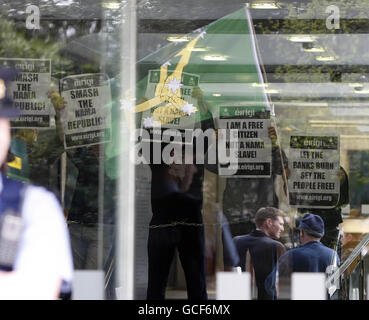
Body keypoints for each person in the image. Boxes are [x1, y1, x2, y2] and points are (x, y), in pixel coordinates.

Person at [0, 68, 73, 299]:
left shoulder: (34, 205)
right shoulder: (18, 148)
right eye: (30, 129)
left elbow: (38, 288)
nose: (33, 132)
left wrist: (59, 115)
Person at [266, 213, 340, 299]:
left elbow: (270, 283)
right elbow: (334, 288)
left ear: (302, 233)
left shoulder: (290, 255)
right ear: (321, 234)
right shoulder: (333, 255)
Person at [233, 207, 286, 300]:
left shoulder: (236, 241)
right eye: (280, 224)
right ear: (269, 222)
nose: (282, 228)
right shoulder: (276, 246)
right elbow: (281, 282)